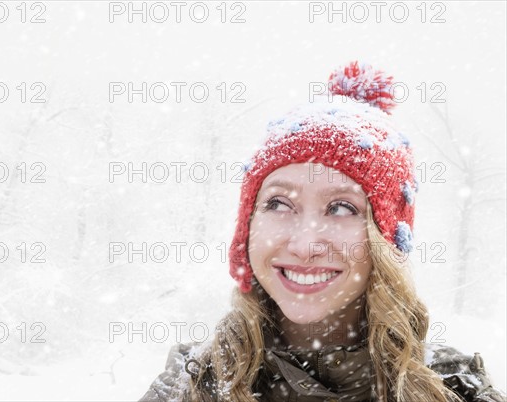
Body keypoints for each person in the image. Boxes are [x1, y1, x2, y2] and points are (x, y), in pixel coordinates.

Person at [138, 61, 506, 402]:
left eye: (342, 208)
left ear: (386, 240)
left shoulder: (454, 388)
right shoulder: (191, 384)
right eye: (279, 203)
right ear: (248, 226)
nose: (303, 245)